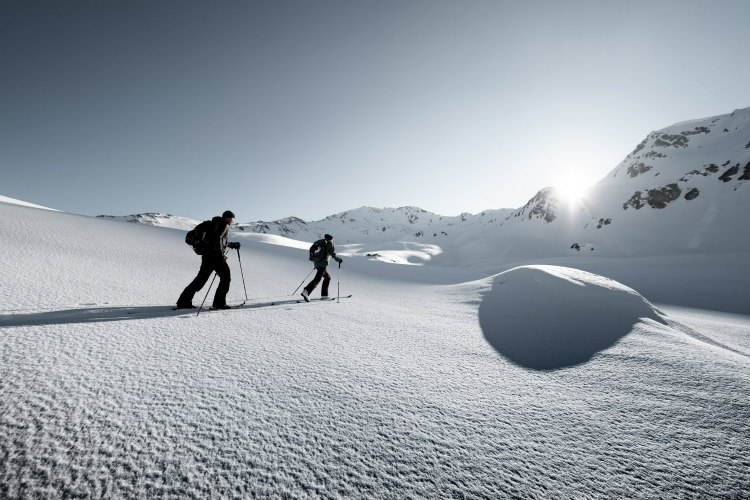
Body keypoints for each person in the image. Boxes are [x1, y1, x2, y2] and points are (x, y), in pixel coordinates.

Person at [176, 210, 240, 310]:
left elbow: (217, 240)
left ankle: (183, 301)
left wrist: (231, 245)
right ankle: (219, 303)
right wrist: (220, 256)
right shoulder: (224, 224)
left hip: (207, 255)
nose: (232, 221)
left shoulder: (213, 224)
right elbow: (217, 238)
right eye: (232, 219)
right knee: (226, 278)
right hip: (216, 257)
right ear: (228, 218)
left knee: (200, 280)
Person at [301, 233, 342, 302]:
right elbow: (331, 252)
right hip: (322, 264)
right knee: (317, 279)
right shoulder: (329, 243)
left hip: (317, 263)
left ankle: (324, 295)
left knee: (327, 278)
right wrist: (338, 259)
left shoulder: (319, 242)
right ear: (331, 239)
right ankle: (306, 291)